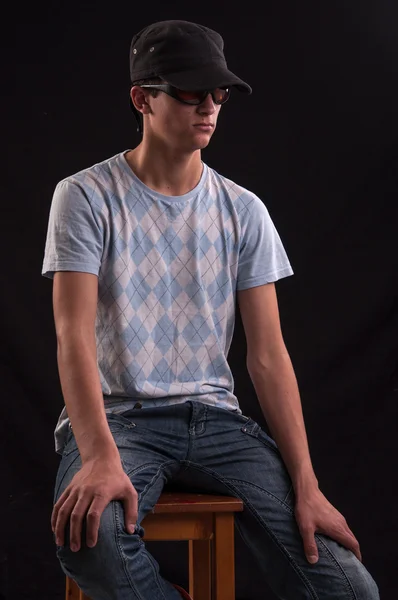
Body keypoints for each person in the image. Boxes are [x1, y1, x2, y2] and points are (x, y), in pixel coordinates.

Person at [42, 19, 380, 600]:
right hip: (118, 420)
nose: (210, 108)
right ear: (141, 98)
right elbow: (71, 337)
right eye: (191, 93)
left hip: (218, 423)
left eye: (219, 94)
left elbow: (269, 356)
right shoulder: (86, 196)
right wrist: (97, 453)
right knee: (90, 538)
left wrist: (308, 484)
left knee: (349, 589)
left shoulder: (244, 211)